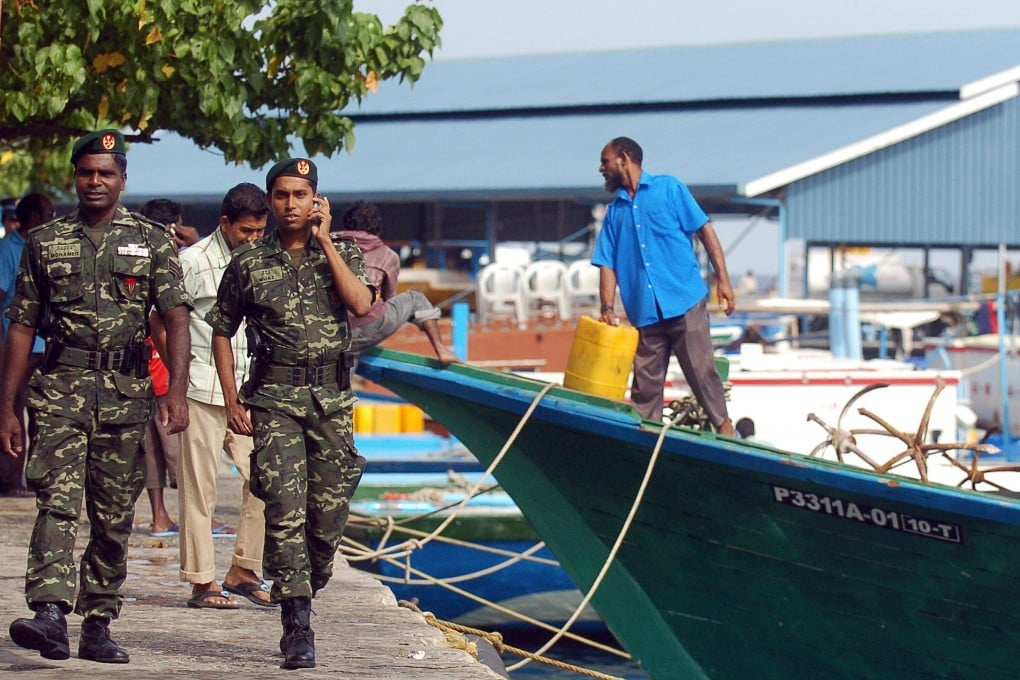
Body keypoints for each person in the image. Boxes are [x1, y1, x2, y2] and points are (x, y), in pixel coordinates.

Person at [0, 129, 192, 664]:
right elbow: (21, 327)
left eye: (106, 173)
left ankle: (98, 622)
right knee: (56, 503)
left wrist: (175, 390)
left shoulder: (152, 242)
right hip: (60, 389)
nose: (95, 181)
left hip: (125, 397)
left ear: (123, 180)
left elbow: (176, 319)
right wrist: (7, 406)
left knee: (112, 515)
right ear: (74, 177)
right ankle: (50, 612)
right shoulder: (46, 242)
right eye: (86, 172)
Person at [207, 158, 372, 669]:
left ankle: (308, 581)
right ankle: (296, 622)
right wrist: (233, 399)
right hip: (274, 399)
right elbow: (221, 328)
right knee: (284, 509)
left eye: (301, 195)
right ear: (271, 200)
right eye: (281, 195)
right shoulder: (250, 263)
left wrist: (325, 241)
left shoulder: (340, 252)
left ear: (316, 199)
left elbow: (362, 304)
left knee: (326, 519)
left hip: (331, 401)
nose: (290, 204)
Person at [171, 182, 273, 610]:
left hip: (250, 390)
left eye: (259, 232)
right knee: (200, 488)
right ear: (225, 223)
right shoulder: (192, 262)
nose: (252, 239)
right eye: (245, 231)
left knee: (265, 480)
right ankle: (201, 581)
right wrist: (174, 383)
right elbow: (166, 320)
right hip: (200, 387)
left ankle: (244, 569)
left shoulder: (266, 263)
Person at [593, 136, 736, 436]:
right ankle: (646, 445)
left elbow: (705, 231)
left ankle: (724, 429)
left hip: (684, 299)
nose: (601, 168)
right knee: (645, 389)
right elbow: (606, 262)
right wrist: (607, 307)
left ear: (624, 158)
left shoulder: (669, 188)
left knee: (701, 371)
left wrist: (722, 279)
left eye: (605, 161)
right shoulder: (615, 212)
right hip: (645, 313)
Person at [338, 201, 458, 365]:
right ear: (377, 228)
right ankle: (441, 350)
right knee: (415, 299)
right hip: (368, 327)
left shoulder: (326, 245)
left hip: (331, 333)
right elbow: (389, 297)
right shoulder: (388, 256)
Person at [0, 194, 54, 497]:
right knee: (12, 411)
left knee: (44, 414)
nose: (52, 216)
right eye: (48, 212)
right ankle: (9, 479)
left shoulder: (44, 247)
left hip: (45, 346)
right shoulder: (8, 250)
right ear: (34, 217)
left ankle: (38, 477)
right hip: (17, 347)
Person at [138, 199, 185, 537]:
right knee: (181, 452)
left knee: (150, 450)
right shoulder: (167, 261)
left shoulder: (131, 254)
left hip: (138, 372)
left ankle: (159, 517)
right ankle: (198, 518)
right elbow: (163, 320)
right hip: (163, 369)